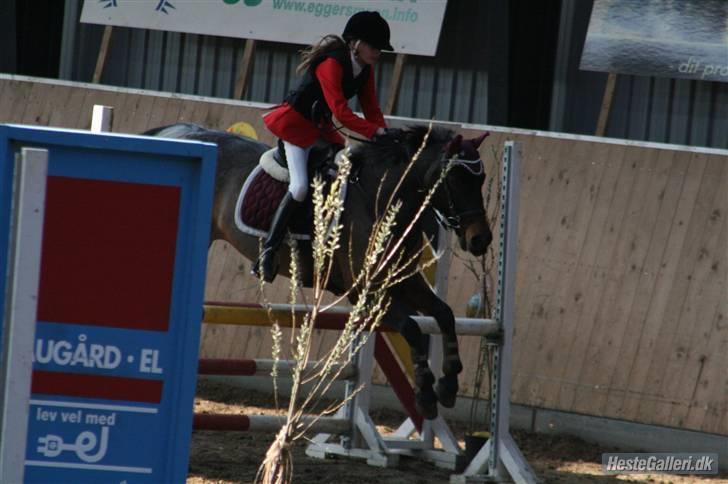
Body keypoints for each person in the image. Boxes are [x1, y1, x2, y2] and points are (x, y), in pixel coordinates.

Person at [254, 10, 393, 282]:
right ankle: (268, 251)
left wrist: (386, 137)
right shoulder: (331, 64)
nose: (378, 52)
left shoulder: (366, 70)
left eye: (380, 48)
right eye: (374, 46)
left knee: (344, 177)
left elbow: (372, 109)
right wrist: (374, 132)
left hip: (320, 131)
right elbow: (341, 112)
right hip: (295, 127)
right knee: (300, 187)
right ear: (356, 43)